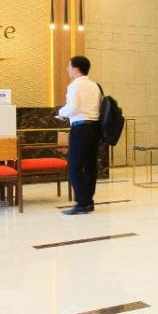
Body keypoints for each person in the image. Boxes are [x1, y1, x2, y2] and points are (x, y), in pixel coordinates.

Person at [58, 55, 102, 214]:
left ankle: (82, 203)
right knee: (90, 166)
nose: (67, 69)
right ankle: (88, 201)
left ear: (76, 69)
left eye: (68, 66)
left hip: (80, 128)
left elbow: (73, 107)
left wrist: (60, 112)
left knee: (74, 167)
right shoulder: (94, 86)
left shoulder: (74, 86)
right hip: (94, 128)